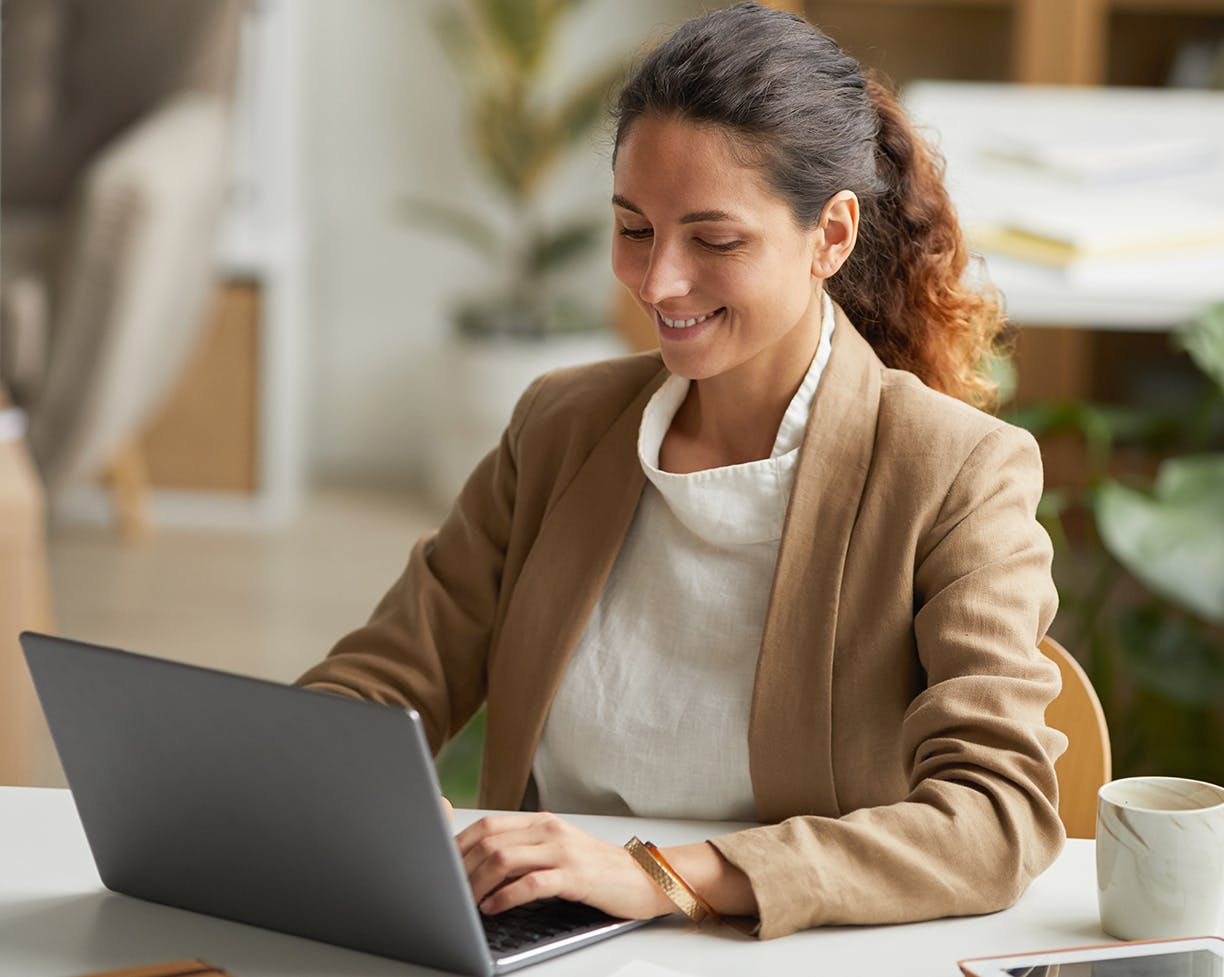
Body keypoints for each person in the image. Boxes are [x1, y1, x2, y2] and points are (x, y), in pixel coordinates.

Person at [297, 1, 1065, 940]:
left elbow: (997, 817)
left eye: (714, 240)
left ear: (830, 235)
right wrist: (273, 780)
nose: (660, 282)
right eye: (633, 228)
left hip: (784, 952)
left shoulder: (955, 471)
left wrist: (662, 876)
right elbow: (382, 683)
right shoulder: (562, 426)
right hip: (550, 942)